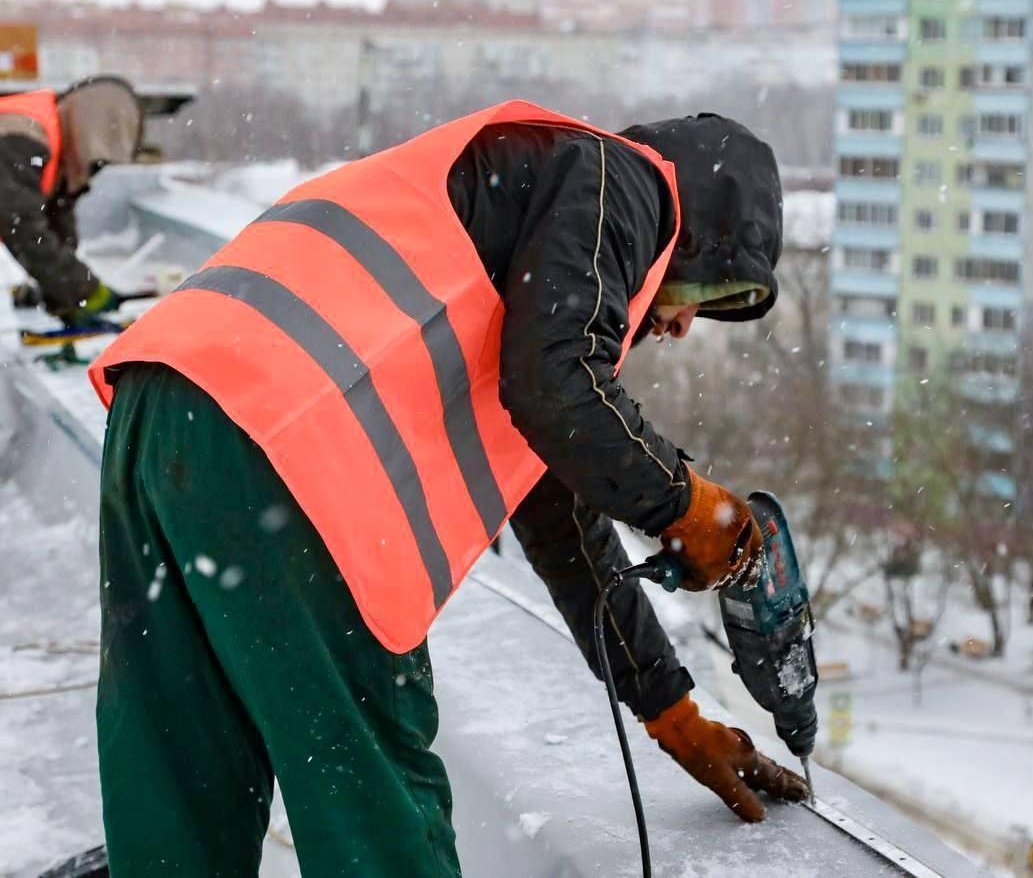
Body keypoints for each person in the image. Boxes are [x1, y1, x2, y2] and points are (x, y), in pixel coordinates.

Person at [86, 100, 806, 877]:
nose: (683, 327)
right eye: (707, 297)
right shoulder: (621, 181)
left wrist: (669, 708)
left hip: (163, 404)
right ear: (693, 232)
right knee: (372, 798)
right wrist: (686, 502)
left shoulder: (522, 213)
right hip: (290, 447)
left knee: (181, 774)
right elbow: (557, 384)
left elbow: (562, 514)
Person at [0, 75, 142, 323]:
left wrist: (63, 293)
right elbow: (22, 226)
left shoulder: (51, 136)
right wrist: (83, 291)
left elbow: (56, 218)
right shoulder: (23, 136)